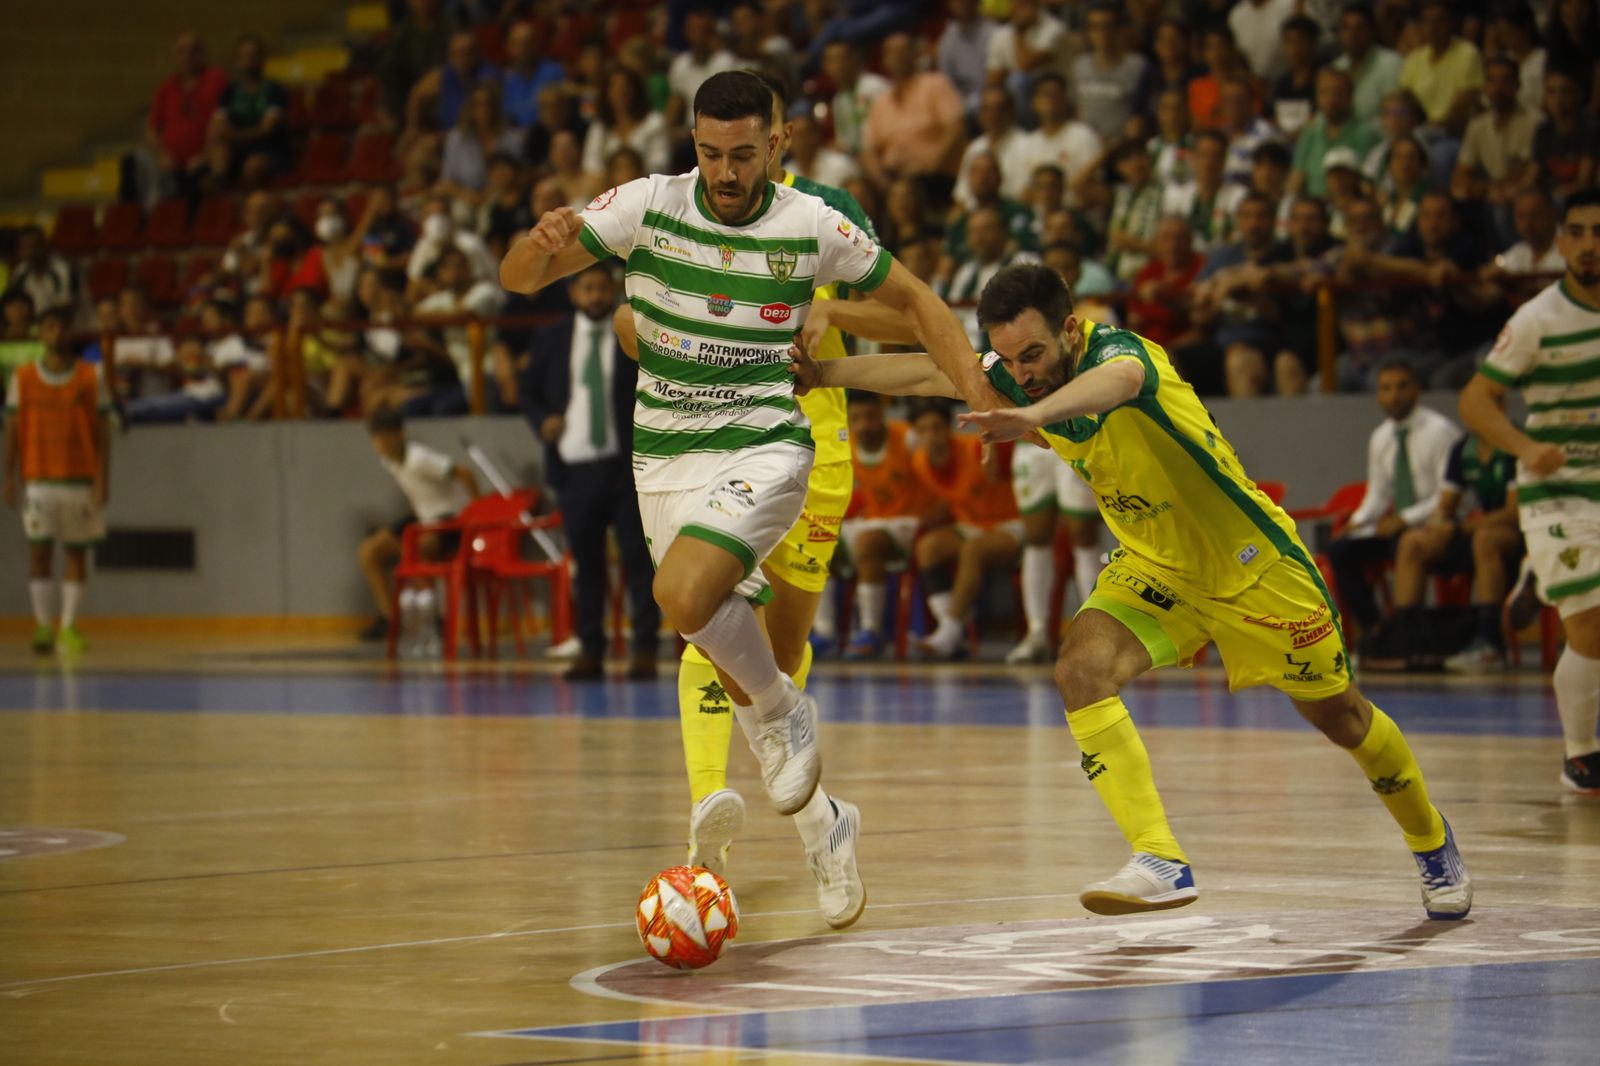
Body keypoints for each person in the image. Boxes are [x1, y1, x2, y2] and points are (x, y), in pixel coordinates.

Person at [790, 260, 1472, 920]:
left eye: (1032, 354)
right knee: (1079, 670)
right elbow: (927, 371)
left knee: (1342, 719)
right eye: (1011, 362)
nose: (1021, 375)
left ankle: (1431, 841)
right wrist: (824, 373)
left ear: (1070, 330)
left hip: (1256, 568)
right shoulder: (1021, 378)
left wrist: (1031, 418)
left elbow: (1113, 384)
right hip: (1155, 566)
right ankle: (1159, 858)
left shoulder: (1124, 355)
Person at [501, 71, 984, 928]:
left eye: (742, 152)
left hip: (790, 442)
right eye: (709, 152)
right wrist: (542, 246)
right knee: (723, 641)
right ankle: (815, 825)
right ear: (693, 144)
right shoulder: (650, 205)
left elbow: (913, 310)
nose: (725, 170)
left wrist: (838, 321)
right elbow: (557, 295)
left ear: (779, 141)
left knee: (730, 625)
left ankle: (768, 753)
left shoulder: (819, 216)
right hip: (673, 455)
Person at [1459, 187, 1600, 793]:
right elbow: (1475, 398)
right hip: (1557, 487)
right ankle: (1581, 754)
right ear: (1561, 242)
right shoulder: (1539, 318)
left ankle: (1536, 579)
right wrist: (1523, 447)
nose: (1590, 245)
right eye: (1578, 232)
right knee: (1591, 624)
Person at [520, 263, 659, 680]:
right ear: (574, 293)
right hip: (575, 466)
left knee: (638, 562)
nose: (597, 295)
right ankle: (591, 650)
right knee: (588, 566)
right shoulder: (551, 338)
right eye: (589, 288)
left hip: (625, 468)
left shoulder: (630, 335)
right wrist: (542, 419)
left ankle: (645, 650)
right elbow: (528, 390)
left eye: (603, 288)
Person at [1325, 359, 1459, 643]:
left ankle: (1410, 634)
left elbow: (1449, 494)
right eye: (1386, 388)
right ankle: (1377, 631)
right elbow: (1378, 494)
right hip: (1398, 527)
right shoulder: (1381, 437)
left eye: (1401, 386)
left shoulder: (1440, 431)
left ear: (1416, 391)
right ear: (1378, 395)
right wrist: (1358, 522)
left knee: (1403, 542)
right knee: (1340, 550)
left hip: (1435, 525)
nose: (1394, 395)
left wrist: (1405, 519)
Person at [3, 308, 112, 654]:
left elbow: (104, 431)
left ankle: (68, 625)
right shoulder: (22, 377)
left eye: (63, 326)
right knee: (40, 551)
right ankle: (41, 626)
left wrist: (102, 478)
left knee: (77, 553)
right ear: (40, 333)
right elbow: (12, 429)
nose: (57, 332)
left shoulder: (90, 376)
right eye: (50, 326)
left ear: (71, 332)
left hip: (79, 476)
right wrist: (8, 474)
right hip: (38, 476)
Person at [1389, 425, 1521, 672]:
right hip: (1472, 531)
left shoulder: (1515, 444)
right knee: (1412, 542)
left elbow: (1514, 513)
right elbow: (1446, 504)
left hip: (1517, 535)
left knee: (1485, 539)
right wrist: (1437, 525)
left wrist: (1459, 528)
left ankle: (1490, 643)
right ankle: (1407, 642)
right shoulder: (1463, 449)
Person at [355, 406, 478, 643]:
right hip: (423, 519)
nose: (381, 443)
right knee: (369, 551)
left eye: (386, 436)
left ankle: (435, 617)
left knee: (421, 548)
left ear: (399, 434)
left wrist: (478, 513)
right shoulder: (388, 461)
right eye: (376, 437)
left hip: (450, 520)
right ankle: (389, 618)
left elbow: (466, 474)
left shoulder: (419, 458)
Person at [839, 391, 934, 658]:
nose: (863, 425)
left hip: (914, 523)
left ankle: (872, 631)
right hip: (876, 522)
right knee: (815, 540)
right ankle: (821, 632)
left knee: (867, 542)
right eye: (856, 419)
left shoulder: (907, 436)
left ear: (881, 415)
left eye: (869, 417)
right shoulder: (846, 444)